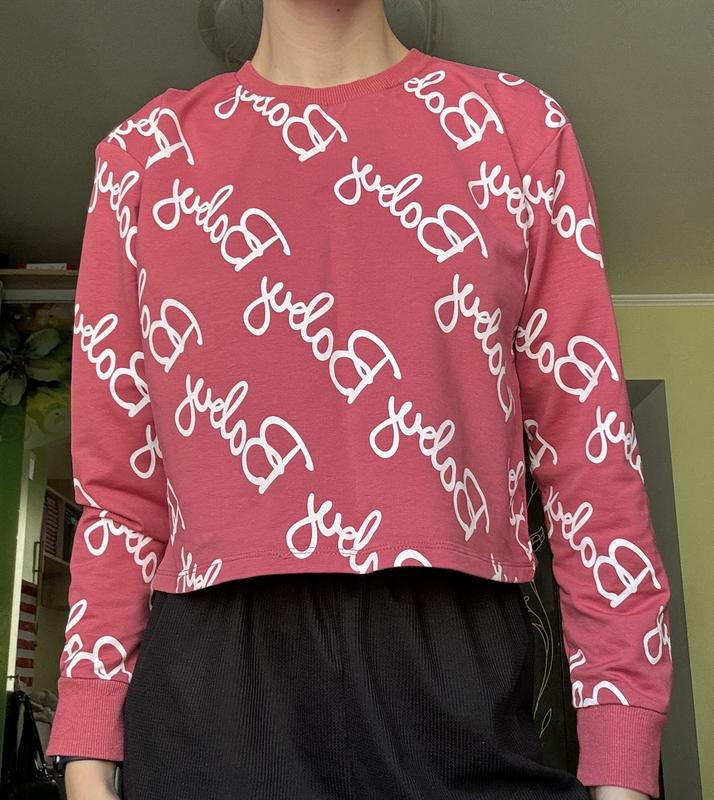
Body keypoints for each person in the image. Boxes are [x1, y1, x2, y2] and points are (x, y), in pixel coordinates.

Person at [45, 1, 673, 798]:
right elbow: (121, 493)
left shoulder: (518, 129)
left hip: (458, 667)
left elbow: (591, 461)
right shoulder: (143, 157)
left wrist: (624, 756)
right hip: (213, 681)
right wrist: (86, 749)